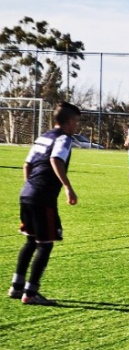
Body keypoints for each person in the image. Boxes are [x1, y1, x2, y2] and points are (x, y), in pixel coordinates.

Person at [7, 101, 81, 305]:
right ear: (67, 122)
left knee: (31, 241)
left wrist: (30, 186)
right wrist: (67, 186)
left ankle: (16, 287)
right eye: (76, 121)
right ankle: (30, 293)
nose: (77, 126)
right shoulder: (64, 139)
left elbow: (27, 164)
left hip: (27, 193)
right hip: (43, 197)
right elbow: (55, 160)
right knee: (45, 244)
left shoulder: (43, 137)